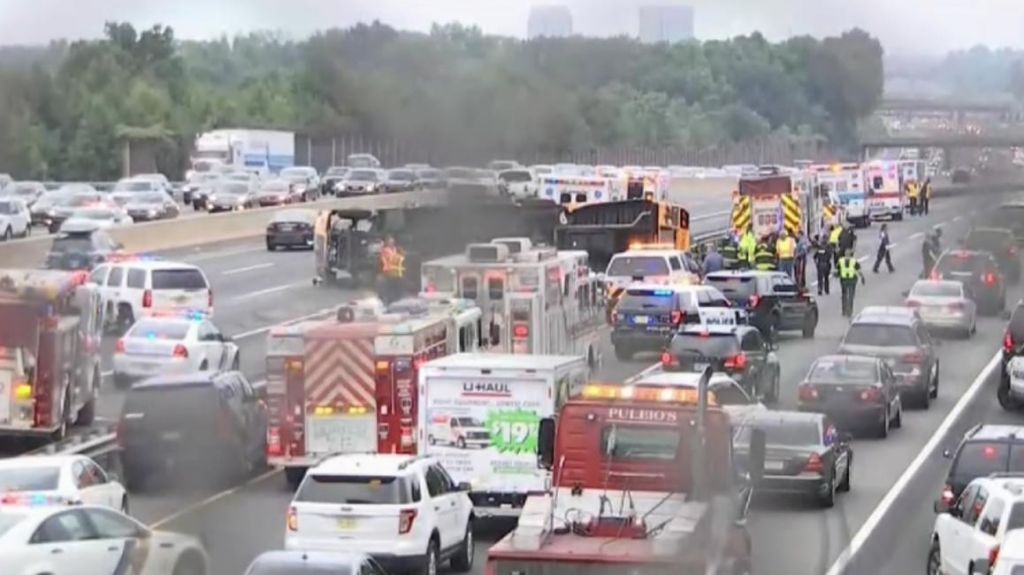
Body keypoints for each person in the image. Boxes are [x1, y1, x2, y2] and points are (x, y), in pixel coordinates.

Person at [837, 248, 865, 318]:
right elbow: (859, 270)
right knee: (851, 296)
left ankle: (844, 310)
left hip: (843, 280)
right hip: (852, 280)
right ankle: (850, 311)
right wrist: (862, 278)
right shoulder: (854, 261)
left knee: (844, 295)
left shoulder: (841, 261)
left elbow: (837, 270)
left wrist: (837, 275)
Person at [378, 235, 406, 304]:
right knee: (387, 283)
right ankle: (388, 299)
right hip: (387, 271)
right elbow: (385, 259)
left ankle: (399, 297)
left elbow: (402, 256)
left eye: (392, 241)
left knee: (401, 281)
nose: (391, 242)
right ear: (387, 242)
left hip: (397, 270)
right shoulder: (385, 250)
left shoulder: (397, 249)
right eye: (390, 241)